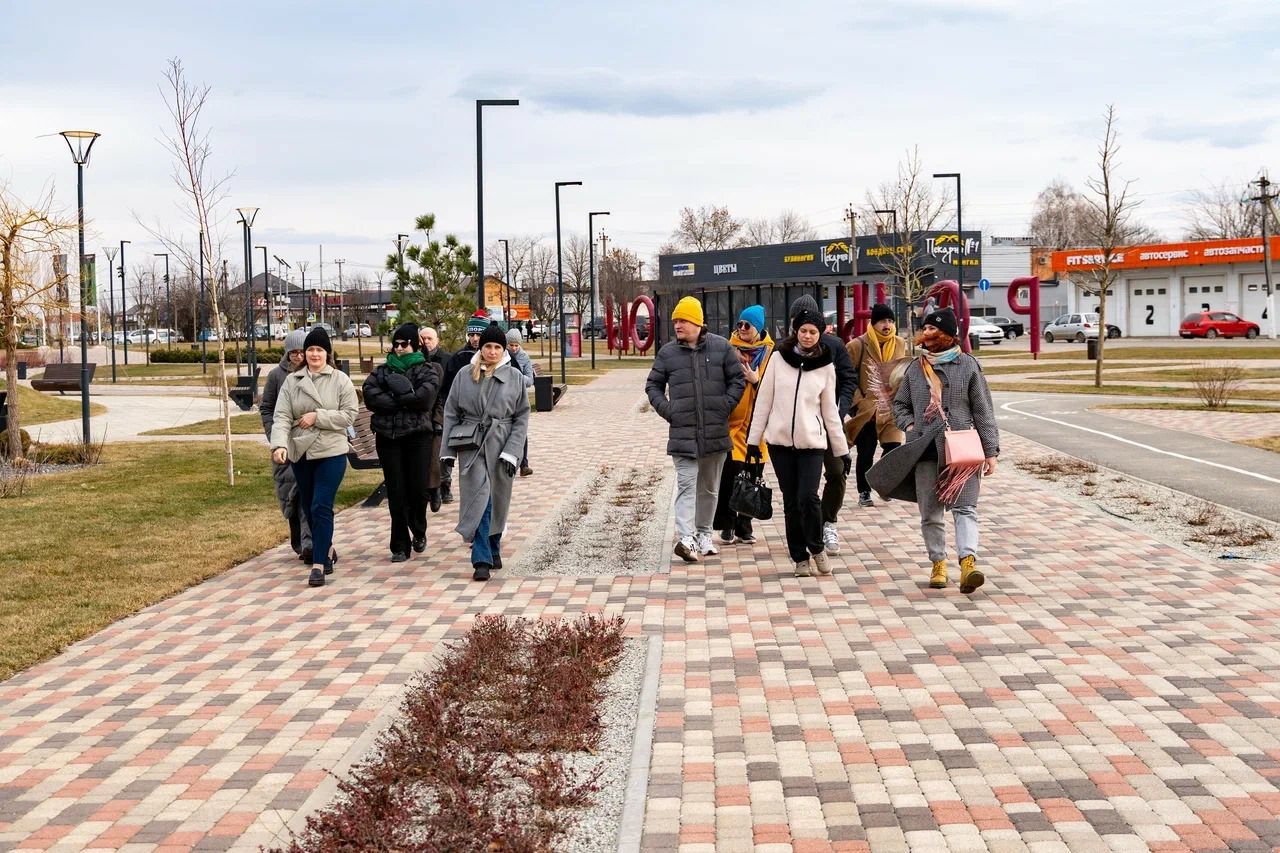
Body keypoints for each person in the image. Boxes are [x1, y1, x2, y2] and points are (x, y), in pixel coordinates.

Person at [877, 308, 1000, 594]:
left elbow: (983, 410)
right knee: (930, 514)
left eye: (933, 329)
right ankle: (938, 563)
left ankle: (968, 563)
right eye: (926, 329)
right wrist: (910, 425)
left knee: (965, 507)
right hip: (924, 450)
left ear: (947, 335)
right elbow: (900, 405)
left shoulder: (968, 366)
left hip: (962, 450)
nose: (927, 334)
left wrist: (990, 451)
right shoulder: (915, 368)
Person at [746, 304, 850, 577]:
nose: (807, 336)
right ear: (796, 331)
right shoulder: (778, 359)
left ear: (820, 334)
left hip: (811, 444)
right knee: (791, 501)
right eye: (803, 330)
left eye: (813, 332)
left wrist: (841, 450)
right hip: (779, 444)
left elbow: (829, 411)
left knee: (808, 497)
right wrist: (753, 441)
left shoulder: (826, 366)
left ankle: (817, 548)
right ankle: (799, 557)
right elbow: (763, 401)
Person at [645, 295, 745, 562]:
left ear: (698, 323)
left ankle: (704, 534)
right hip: (683, 433)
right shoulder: (667, 353)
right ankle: (686, 537)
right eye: (675, 320)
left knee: (709, 488)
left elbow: (738, 380)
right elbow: (652, 385)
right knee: (687, 485)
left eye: (683, 320)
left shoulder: (721, 347)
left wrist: (725, 406)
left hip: (715, 432)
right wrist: (669, 411)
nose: (677, 325)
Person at [269, 326, 359, 588]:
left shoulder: (340, 380)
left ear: (327, 353)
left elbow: (349, 415)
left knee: (321, 505)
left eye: (319, 349)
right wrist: (279, 445)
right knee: (309, 507)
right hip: (301, 452)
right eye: (310, 349)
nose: (314, 354)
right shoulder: (292, 381)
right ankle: (326, 548)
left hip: (331, 451)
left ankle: (318, 565)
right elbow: (281, 416)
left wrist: (317, 417)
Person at [441, 322, 530, 581]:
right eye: (488, 346)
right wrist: (447, 451)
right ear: (480, 347)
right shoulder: (464, 375)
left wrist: (513, 451)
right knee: (480, 498)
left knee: (498, 498)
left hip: (502, 444)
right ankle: (480, 558)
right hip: (471, 444)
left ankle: (493, 545)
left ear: (504, 350)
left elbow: (521, 417)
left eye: (497, 347)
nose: (492, 351)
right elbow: (451, 412)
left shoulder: (514, 377)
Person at [362, 323, 442, 562]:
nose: (399, 348)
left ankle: (418, 528)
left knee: (418, 490)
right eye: (395, 344)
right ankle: (399, 545)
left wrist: (397, 398)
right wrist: (404, 399)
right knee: (396, 492)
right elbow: (370, 394)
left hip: (417, 437)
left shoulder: (427, 369)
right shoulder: (382, 371)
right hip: (388, 437)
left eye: (404, 344)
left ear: (415, 345)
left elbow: (425, 399)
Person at [787, 294, 855, 556]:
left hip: (830, 423)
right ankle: (807, 530)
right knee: (803, 484)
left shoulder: (834, 346)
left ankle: (829, 521)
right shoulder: (785, 349)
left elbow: (849, 379)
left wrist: (840, 409)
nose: (804, 330)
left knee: (837, 471)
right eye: (798, 322)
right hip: (798, 426)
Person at [712, 304, 774, 545]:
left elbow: (776, 389)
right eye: (739, 324)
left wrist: (756, 381)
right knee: (729, 476)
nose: (742, 328)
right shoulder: (727, 350)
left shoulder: (770, 354)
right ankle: (727, 525)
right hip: (731, 425)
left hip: (757, 428)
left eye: (748, 325)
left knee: (752, 476)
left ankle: (744, 527)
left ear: (758, 328)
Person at [845, 304, 908, 507]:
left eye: (890, 321)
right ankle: (864, 491)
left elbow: (903, 372)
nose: (887, 325)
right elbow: (846, 377)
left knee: (894, 449)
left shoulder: (900, 343)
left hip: (891, 408)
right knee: (866, 452)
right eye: (882, 321)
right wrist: (859, 403)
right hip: (867, 410)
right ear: (873, 324)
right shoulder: (857, 345)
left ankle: (883, 484)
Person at [259, 329, 312, 562]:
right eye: (293, 352)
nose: (298, 356)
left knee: (308, 493)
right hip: (284, 443)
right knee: (290, 494)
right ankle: (299, 540)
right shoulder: (276, 376)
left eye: (302, 352)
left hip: (309, 442)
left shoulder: (313, 372)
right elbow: (266, 408)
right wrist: (274, 436)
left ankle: (310, 543)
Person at [438, 311, 490, 504]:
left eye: (478, 334)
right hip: (463, 421)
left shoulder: (498, 357)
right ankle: (446, 483)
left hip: (488, 424)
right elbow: (448, 391)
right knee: (460, 459)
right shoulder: (459, 358)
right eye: (471, 334)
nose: (475, 338)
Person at [419, 326, 451, 511]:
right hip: (424, 415)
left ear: (437, 340)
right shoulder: (417, 362)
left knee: (441, 452)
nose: (426, 342)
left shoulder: (446, 360)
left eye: (429, 338)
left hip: (443, 411)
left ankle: (443, 486)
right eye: (423, 338)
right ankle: (433, 489)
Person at [506, 328, 536, 476]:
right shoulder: (502, 356)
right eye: (511, 345)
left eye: (516, 345)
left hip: (519, 398)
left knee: (521, 430)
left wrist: (515, 377)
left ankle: (524, 464)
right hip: (505, 399)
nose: (514, 348)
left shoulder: (524, 357)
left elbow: (530, 380)